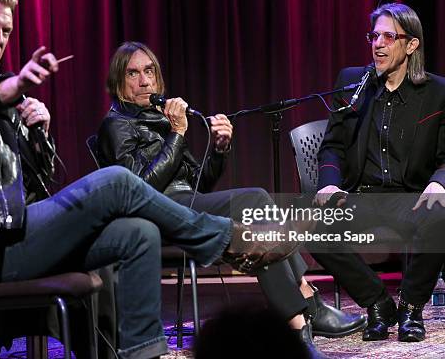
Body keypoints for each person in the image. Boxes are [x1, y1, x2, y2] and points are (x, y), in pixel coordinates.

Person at [0, 0, 295, 359]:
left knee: (136, 233)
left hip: (19, 231)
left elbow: (39, 181)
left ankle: (142, 354)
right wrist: (11, 88)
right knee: (117, 181)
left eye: (5, 30)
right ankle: (224, 239)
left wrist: (39, 134)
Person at [96, 41, 367, 357]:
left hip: (186, 203)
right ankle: (301, 313)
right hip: (155, 213)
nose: (144, 81)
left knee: (257, 214)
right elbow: (141, 188)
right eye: (133, 73)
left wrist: (220, 148)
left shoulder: (158, 119)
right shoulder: (116, 125)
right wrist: (178, 135)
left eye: (149, 72)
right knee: (255, 200)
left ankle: (303, 306)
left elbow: (201, 182)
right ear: (118, 81)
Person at [312, 2, 445, 342]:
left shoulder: (440, 92)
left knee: (442, 219)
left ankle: (411, 309)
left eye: (388, 36)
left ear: (411, 45)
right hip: (362, 195)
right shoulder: (353, 82)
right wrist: (329, 185)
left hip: (411, 197)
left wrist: (440, 184)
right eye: (374, 35)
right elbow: (333, 146)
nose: (378, 44)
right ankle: (378, 303)